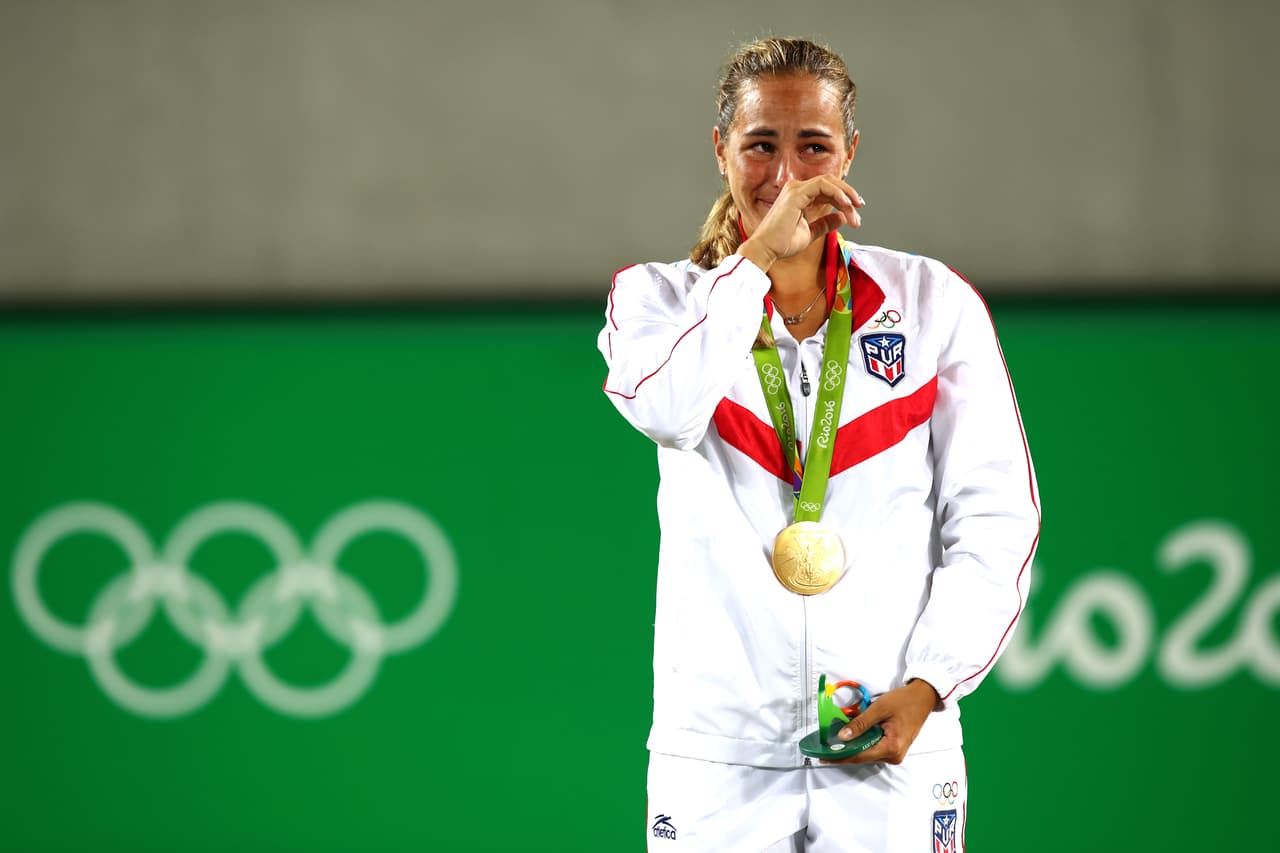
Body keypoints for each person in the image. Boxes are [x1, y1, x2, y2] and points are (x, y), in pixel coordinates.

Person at [599, 37, 1040, 852]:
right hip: (719, 760)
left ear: (850, 153)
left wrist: (931, 683)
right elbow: (665, 407)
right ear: (720, 151)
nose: (788, 176)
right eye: (761, 145)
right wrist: (757, 260)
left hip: (890, 743)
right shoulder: (657, 300)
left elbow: (995, 520)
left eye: (815, 147)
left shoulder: (930, 303)